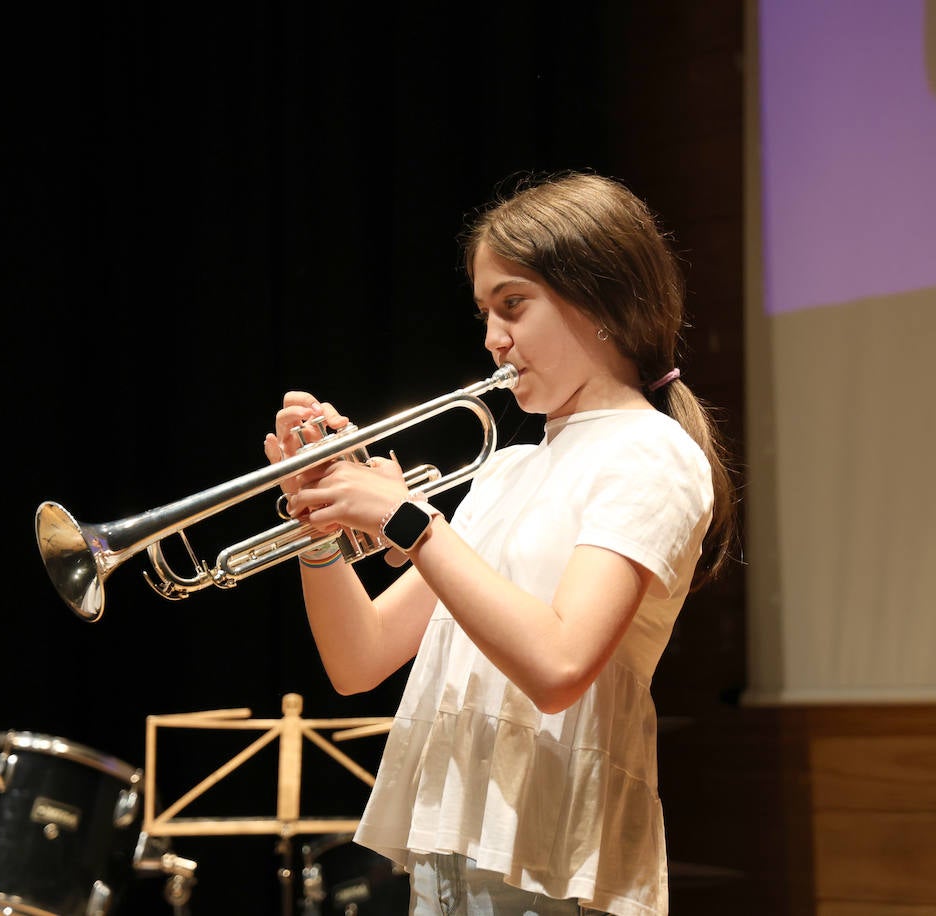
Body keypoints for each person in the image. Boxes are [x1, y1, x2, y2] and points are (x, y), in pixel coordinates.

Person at [263, 170, 737, 916]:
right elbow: (358, 660)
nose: (492, 338)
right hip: (452, 858)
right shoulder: (507, 468)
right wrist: (317, 525)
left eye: (513, 305)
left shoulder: (651, 452)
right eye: (485, 311)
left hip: (557, 868)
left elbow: (558, 665)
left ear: (603, 300)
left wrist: (410, 522)